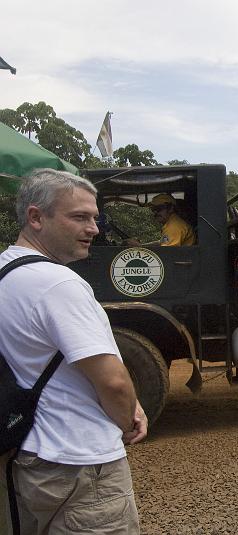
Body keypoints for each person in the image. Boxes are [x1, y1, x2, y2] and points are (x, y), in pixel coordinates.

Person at [0, 169, 145, 533]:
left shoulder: (6, 271)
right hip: (81, 464)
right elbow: (113, 383)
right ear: (36, 217)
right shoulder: (59, 283)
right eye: (79, 217)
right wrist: (128, 418)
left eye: (94, 218)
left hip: (27, 455)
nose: (93, 228)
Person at [126, 193, 197, 246]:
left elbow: (165, 254)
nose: (155, 212)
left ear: (171, 208)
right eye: (153, 209)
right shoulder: (172, 222)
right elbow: (162, 242)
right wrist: (141, 246)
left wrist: (140, 248)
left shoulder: (174, 226)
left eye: (159, 208)